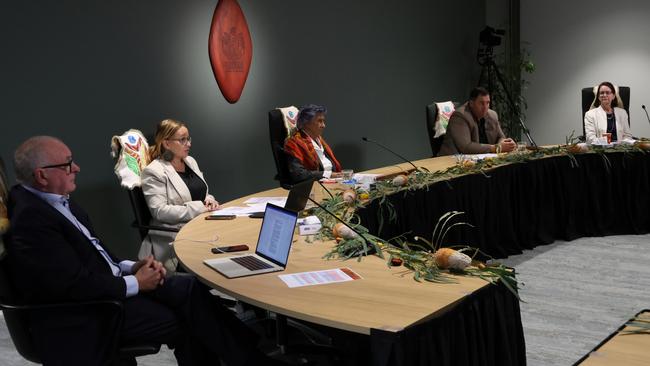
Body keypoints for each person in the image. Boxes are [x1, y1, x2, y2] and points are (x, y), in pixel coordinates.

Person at [3, 136, 285, 366]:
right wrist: (135, 283)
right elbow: (71, 284)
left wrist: (131, 267)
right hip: (90, 313)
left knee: (189, 289)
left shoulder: (57, 200)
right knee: (189, 317)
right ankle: (252, 357)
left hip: (107, 288)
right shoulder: (32, 220)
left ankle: (250, 352)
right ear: (42, 175)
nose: (76, 168)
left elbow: (96, 253)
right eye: (67, 164)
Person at [140, 119, 219, 272]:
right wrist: (199, 207)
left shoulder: (190, 161)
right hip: (176, 236)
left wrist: (210, 200)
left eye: (188, 139)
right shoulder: (154, 172)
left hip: (202, 226)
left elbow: (202, 192)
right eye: (182, 140)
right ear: (167, 143)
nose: (188, 144)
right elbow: (159, 211)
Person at [438, 87, 517, 156]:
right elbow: (466, 147)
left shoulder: (492, 115)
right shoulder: (460, 116)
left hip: (482, 160)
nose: (485, 107)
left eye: (487, 103)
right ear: (471, 103)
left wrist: (506, 143)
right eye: (481, 103)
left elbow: (501, 137)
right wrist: (495, 148)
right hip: (452, 162)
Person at [284, 104, 343, 183]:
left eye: (323, 121)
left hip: (332, 181)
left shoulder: (319, 140)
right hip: (315, 185)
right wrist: (328, 174)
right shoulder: (294, 143)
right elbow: (298, 174)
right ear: (307, 123)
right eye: (319, 121)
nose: (324, 125)